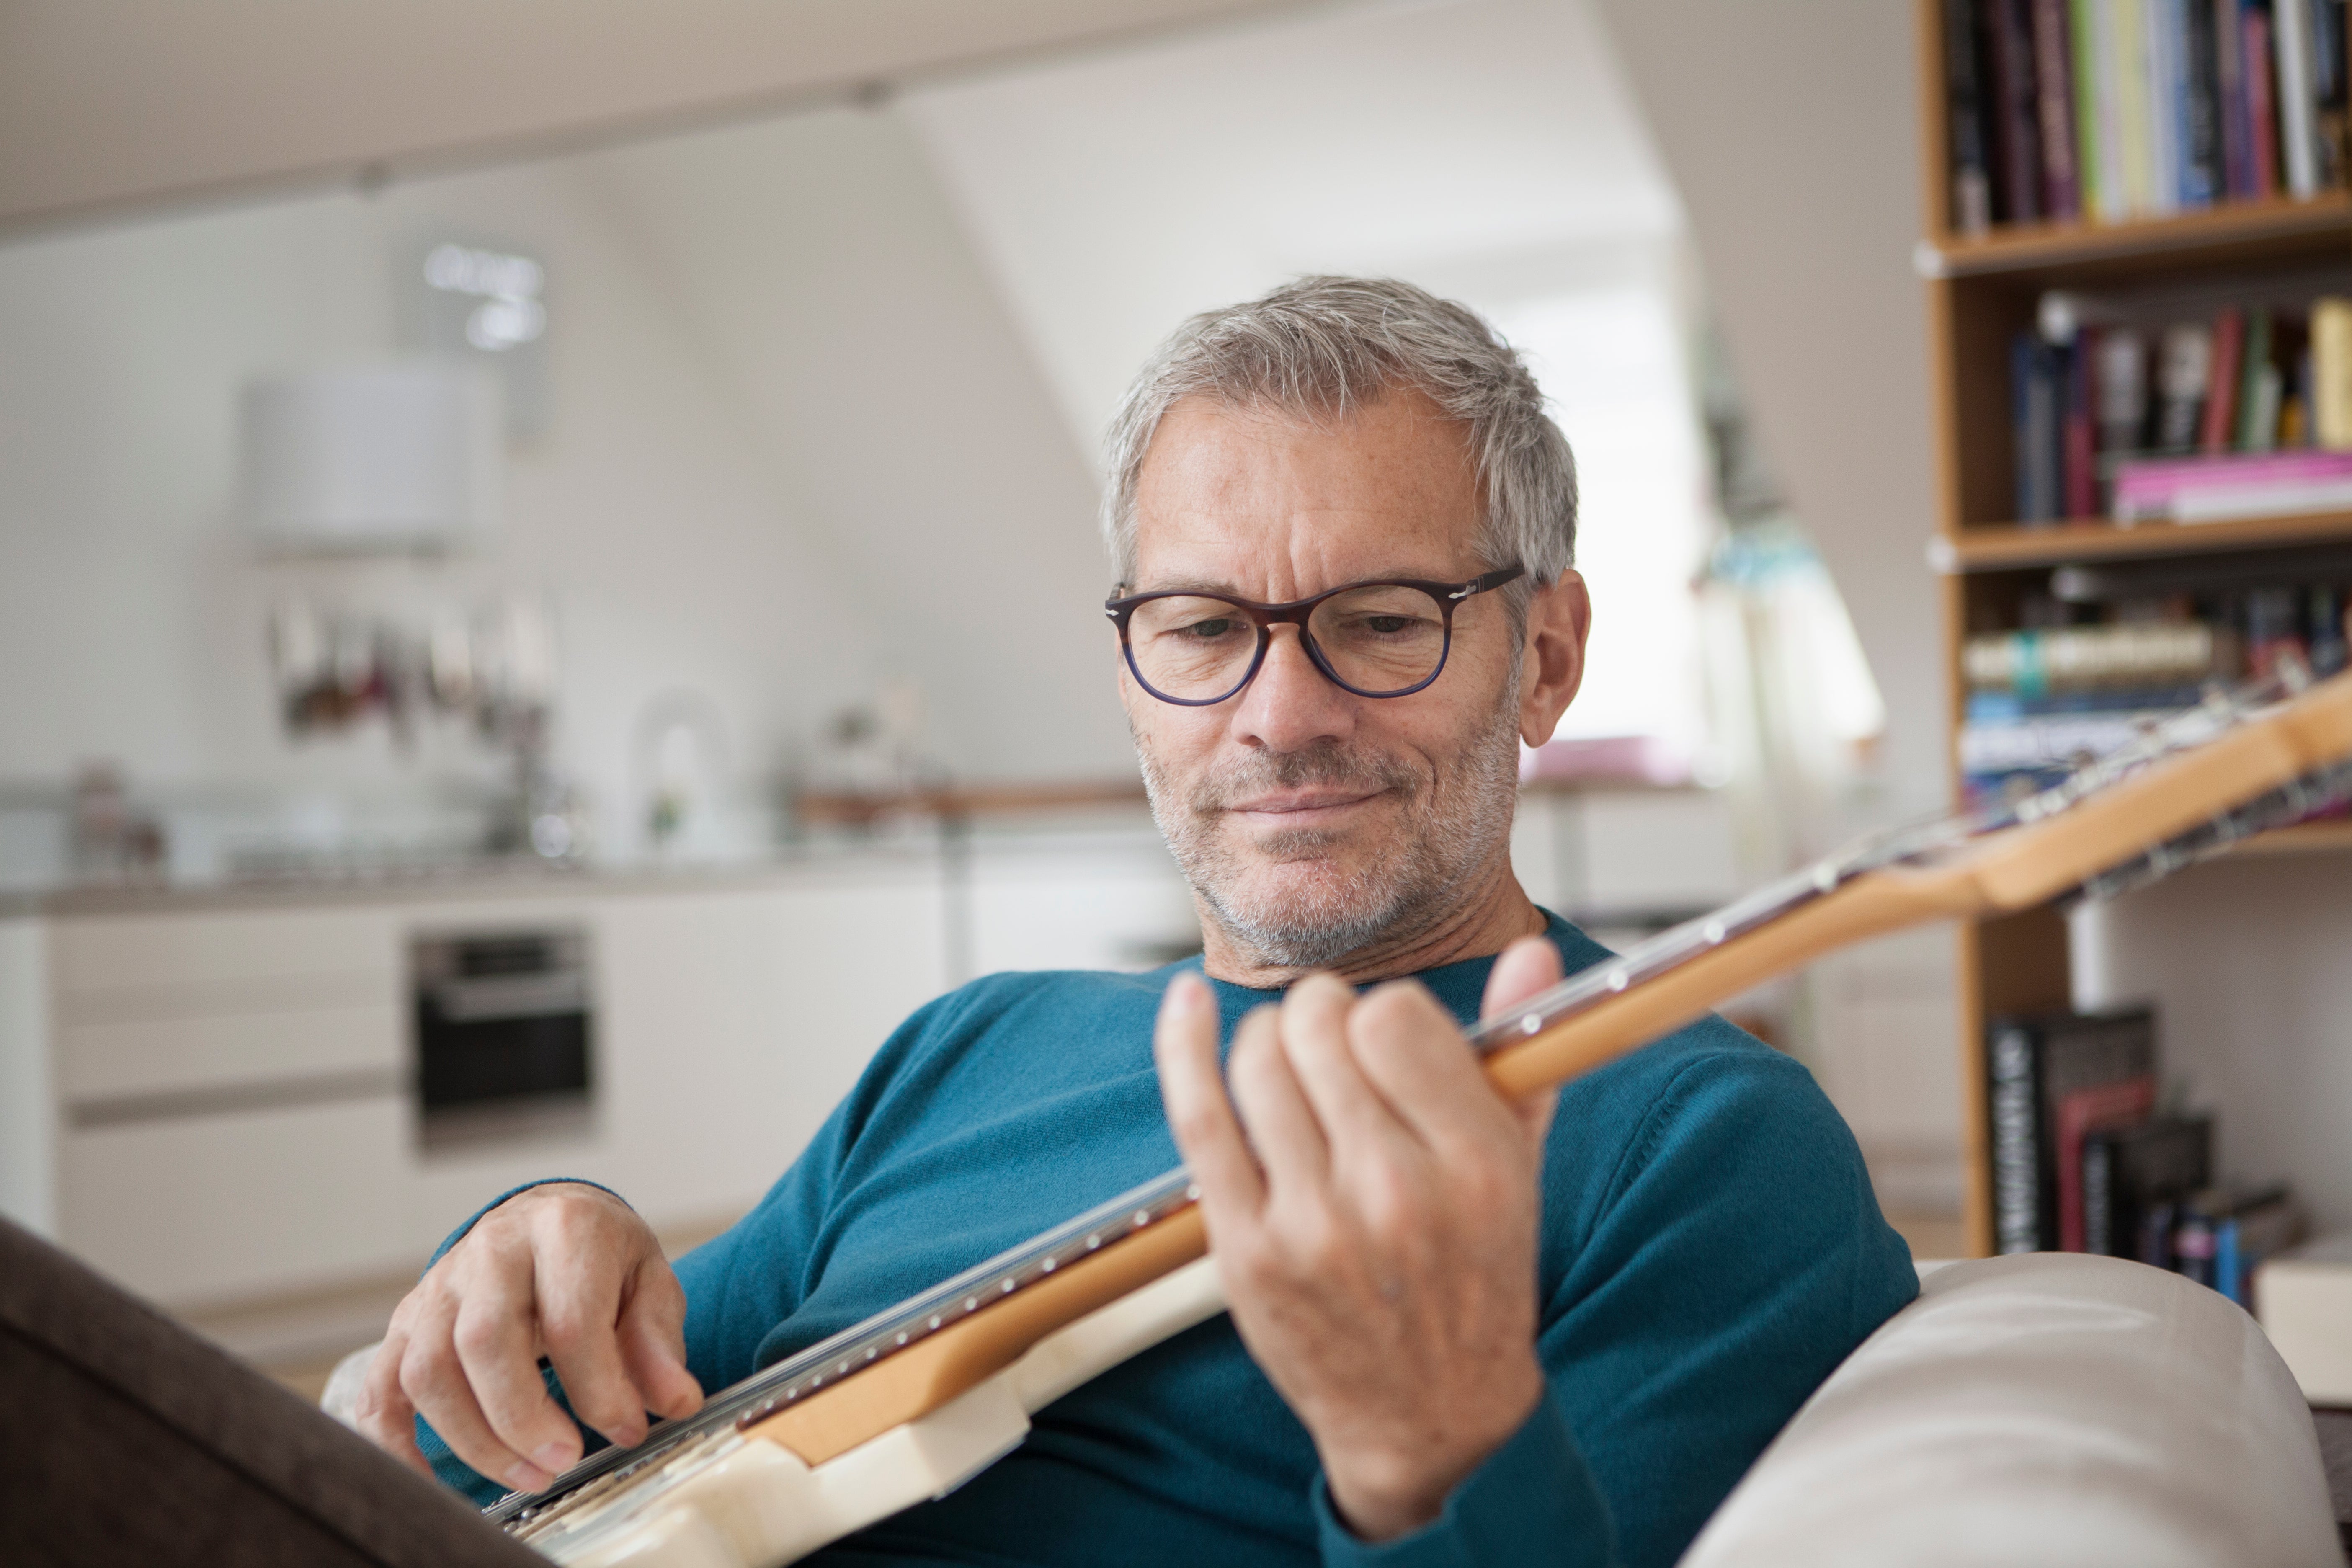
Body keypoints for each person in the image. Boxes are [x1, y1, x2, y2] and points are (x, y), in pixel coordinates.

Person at [356, 276, 1918, 1567]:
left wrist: (1426, 1452)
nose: (1281, 716)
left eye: (1383, 623)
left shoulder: (1697, 1144)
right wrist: (533, 1248)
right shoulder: (969, 1051)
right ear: (1129, 673)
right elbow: (510, 1444)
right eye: (1204, 628)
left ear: (1549, 658)